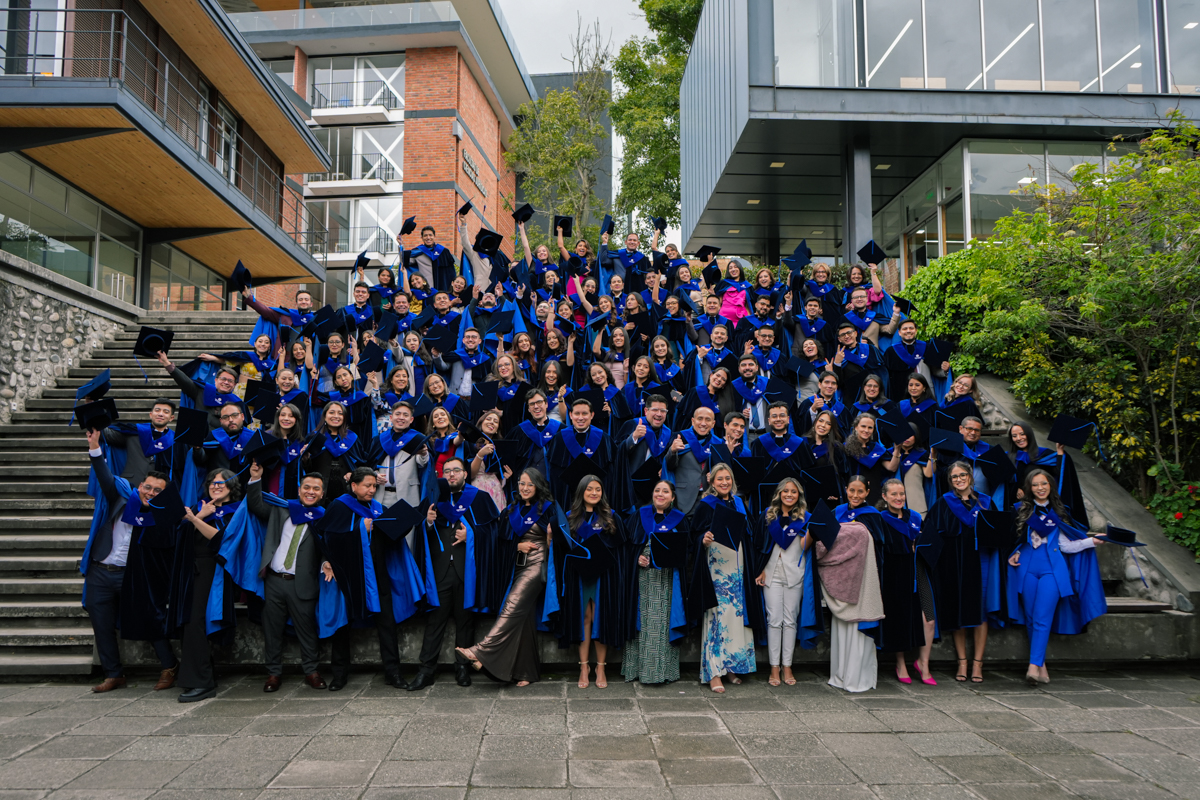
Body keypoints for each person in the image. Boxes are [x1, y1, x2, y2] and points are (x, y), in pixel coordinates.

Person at [82, 428, 179, 693]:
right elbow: (104, 476)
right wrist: (95, 447)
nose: (151, 492)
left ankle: (169, 665)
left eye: (157, 490)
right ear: (139, 487)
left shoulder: (161, 519)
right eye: (147, 487)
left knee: (150, 619)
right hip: (101, 571)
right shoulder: (121, 499)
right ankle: (114, 674)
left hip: (133, 575)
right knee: (101, 625)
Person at [1007, 469, 1107, 686]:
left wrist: (1092, 541)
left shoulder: (1060, 512)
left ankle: (1032, 665)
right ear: (1029, 488)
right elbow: (1013, 540)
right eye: (1035, 484)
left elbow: (1067, 546)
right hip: (1025, 567)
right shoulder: (1020, 510)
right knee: (1031, 618)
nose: (1040, 488)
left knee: (1042, 616)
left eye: (1044, 483)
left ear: (1050, 485)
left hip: (1052, 569)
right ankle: (1040, 666)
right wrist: (1013, 552)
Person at [456, 468, 555, 686]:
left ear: (538, 486)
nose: (525, 488)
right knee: (524, 618)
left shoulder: (548, 509)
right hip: (517, 566)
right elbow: (499, 543)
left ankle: (481, 650)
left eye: (530, 484)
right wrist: (517, 546)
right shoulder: (511, 510)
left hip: (538, 565)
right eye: (522, 483)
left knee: (511, 605)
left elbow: (558, 541)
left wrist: (549, 538)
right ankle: (527, 672)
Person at [408, 456, 499, 690]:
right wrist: (427, 523)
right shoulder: (433, 498)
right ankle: (426, 670)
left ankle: (462, 667)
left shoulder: (480, 498)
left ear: (465, 474)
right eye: (447, 471)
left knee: (465, 621)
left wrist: (472, 536)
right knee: (435, 621)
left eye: (456, 470)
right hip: (440, 571)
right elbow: (420, 536)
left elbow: (493, 532)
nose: (451, 474)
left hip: (466, 571)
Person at [245, 467, 327, 693]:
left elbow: (329, 546)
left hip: (303, 582)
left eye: (316, 489)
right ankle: (273, 673)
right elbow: (256, 505)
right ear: (299, 490)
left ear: (322, 494)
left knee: (307, 630)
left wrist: (326, 562)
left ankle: (311, 671)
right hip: (274, 581)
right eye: (307, 487)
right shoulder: (282, 509)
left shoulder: (323, 518)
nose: (310, 492)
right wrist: (255, 478)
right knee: (272, 629)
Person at [556, 475, 633, 689]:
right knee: (584, 618)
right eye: (589, 489)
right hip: (579, 576)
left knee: (600, 618)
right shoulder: (570, 518)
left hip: (603, 576)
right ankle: (583, 667)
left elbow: (620, 550)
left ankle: (600, 667)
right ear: (581, 492)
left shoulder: (610, 517)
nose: (594, 493)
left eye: (598, 489)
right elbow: (563, 550)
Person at [175, 468, 242, 702]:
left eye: (222, 483)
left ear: (232, 487)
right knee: (189, 622)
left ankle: (201, 682)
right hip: (191, 570)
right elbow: (181, 535)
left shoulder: (236, 511)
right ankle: (203, 675)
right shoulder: (200, 507)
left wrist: (195, 519)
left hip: (214, 571)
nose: (216, 486)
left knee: (197, 622)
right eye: (213, 482)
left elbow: (222, 539)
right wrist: (199, 515)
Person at [689, 462, 757, 692]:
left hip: (737, 564)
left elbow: (748, 531)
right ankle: (713, 671)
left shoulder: (739, 502)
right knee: (717, 616)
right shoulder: (706, 504)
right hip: (717, 567)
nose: (724, 482)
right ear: (712, 481)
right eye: (720, 479)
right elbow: (695, 534)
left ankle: (731, 666)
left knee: (735, 616)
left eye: (727, 478)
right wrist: (703, 539)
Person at [923, 460, 992, 683]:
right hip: (953, 563)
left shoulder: (986, 502)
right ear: (950, 481)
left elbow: (997, 531)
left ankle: (978, 663)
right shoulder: (944, 503)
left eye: (963, 475)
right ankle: (962, 662)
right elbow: (930, 532)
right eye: (954, 477)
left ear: (970, 477)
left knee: (980, 611)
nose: (959, 479)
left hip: (980, 561)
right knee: (958, 610)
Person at [754, 478, 819, 687]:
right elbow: (759, 545)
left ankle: (787, 665)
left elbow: (805, 546)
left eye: (793, 491)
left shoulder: (805, 518)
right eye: (786, 491)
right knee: (774, 619)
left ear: (799, 495)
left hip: (795, 573)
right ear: (779, 493)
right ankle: (774, 667)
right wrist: (760, 569)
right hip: (771, 572)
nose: (789, 494)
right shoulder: (768, 516)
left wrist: (812, 532)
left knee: (790, 620)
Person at [623, 480, 689, 685]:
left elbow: (687, 550)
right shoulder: (639, 516)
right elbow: (626, 546)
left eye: (665, 491)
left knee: (663, 624)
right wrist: (636, 558)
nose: (660, 494)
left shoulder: (680, 520)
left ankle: (664, 672)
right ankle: (639, 670)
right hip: (643, 580)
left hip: (668, 580)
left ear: (673, 497)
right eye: (657, 490)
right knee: (643, 622)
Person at [876, 479, 937, 685]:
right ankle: (901, 663)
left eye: (901, 493)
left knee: (929, 618)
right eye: (893, 494)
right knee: (899, 617)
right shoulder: (881, 519)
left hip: (918, 570)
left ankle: (923, 663)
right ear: (884, 497)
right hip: (895, 573)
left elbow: (928, 542)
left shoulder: (916, 518)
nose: (899, 498)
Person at [1007, 422, 1088, 530]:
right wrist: (1014, 489)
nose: (1018, 438)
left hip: (1043, 505)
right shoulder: (1009, 457)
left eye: (1022, 434)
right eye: (1014, 436)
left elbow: (1060, 474)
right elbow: (1005, 482)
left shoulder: (1044, 455)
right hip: (1021, 508)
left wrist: (1060, 452)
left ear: (1029, 434)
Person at [158, 351, 242, 432]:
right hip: (200, 438)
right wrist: (167, 363)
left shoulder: (237, 402)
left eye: (230, 381)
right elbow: (184, 381)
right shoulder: (202, 391)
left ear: (234, 384)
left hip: (225, 439)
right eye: (223, 379)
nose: (226, 382)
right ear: (216, 380)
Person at [102, 398, 177, 486]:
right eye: (157, 410)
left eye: (166, 412)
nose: (160, 414)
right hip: (132, 485)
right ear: (151, 414)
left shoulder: (175, 441)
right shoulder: (134, 432)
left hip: (161, 488)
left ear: (171, 418)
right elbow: (105, 434)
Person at [665, 405, 717, 515]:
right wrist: (672, 451)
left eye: (708, 420)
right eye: (700, 419)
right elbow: (669, 466)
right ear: (693, 421)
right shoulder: (679, 437)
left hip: (708, 497)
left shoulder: (717, 442)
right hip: (683, 497)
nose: (703, 423)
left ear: (713, 424)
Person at [402, 223, 458, 291]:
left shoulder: (443, 252)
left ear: (434, 236)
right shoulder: (417, 252)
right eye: (425, 235)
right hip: (425, 290)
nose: (428, 238)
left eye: (430, 235)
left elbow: (451, 273)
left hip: (441, 289)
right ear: (422, 238)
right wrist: (400, 244)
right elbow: (404, 261)